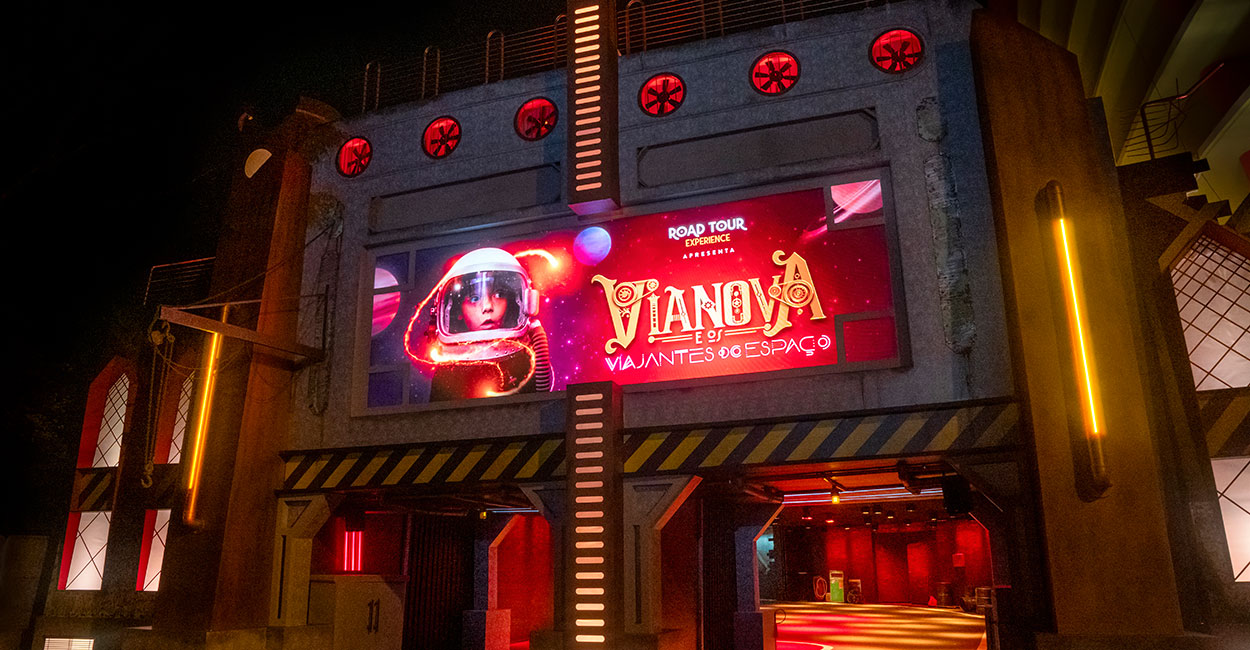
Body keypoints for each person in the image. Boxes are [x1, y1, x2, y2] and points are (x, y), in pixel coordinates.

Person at [425, 248, 553, 400]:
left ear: (522, 301)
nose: (487, 307)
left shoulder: (527, 362)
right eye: (474, 298)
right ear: (457, 310)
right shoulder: (447, 375)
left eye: (498, 295)